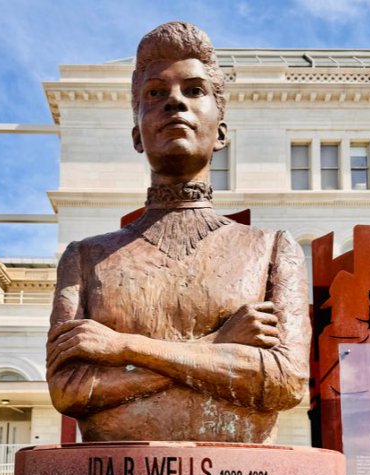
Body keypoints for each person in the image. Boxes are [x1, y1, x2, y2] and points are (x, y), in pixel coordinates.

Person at [47, 22, 310, 444]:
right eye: (155, 93)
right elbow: (69, 389)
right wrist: (222, 344)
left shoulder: (272, 249)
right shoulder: (84, 257)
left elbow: (285, 381)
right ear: (137, 134)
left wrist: (125, 350)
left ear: (221, 131)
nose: (174, 102)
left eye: (194, 90)